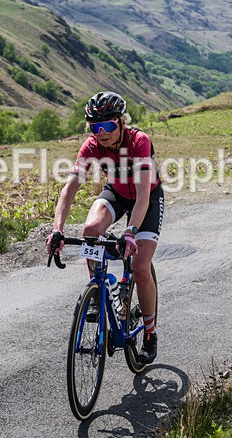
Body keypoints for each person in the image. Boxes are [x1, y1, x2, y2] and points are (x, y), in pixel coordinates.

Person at [47, 91, 162, 364]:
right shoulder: (91, 146)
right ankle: (98, 291)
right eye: (95, 127)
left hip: (147, 198)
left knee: (141, 266)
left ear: (121, 122)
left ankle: (149, 332)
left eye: (108, 125)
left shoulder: (139, 141)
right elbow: (70, 188)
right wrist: (57, 229)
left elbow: (144, 194)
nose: (102, 133)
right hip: (117, 193)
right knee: (90, 232)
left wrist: (130, 232)